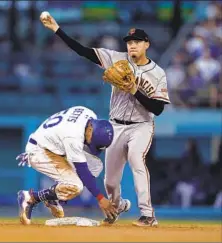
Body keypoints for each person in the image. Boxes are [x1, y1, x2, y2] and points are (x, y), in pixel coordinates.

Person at [40, 14, 171, 227]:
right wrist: (57, 29)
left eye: (137, 42)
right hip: (116, 125)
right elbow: (82, 51)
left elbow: (158, 109)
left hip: (141, 125)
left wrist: (134, 90)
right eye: (129, 42)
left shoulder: (157, 74)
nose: (132, 46)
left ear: (147, 44)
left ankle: (148, 214)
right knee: (110, 182)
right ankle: (116, 207)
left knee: (137, 160)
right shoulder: (115, 58)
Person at [17, 106, 117, 225]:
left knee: (96, 165)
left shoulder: (89, 114)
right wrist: (100, 198)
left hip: (56, 146)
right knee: (75, 186)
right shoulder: (73, 136)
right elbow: (82, 170)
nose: (92, 146)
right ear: (90, 129)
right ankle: (31, 197)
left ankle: (54, 196)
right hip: (40, 150)